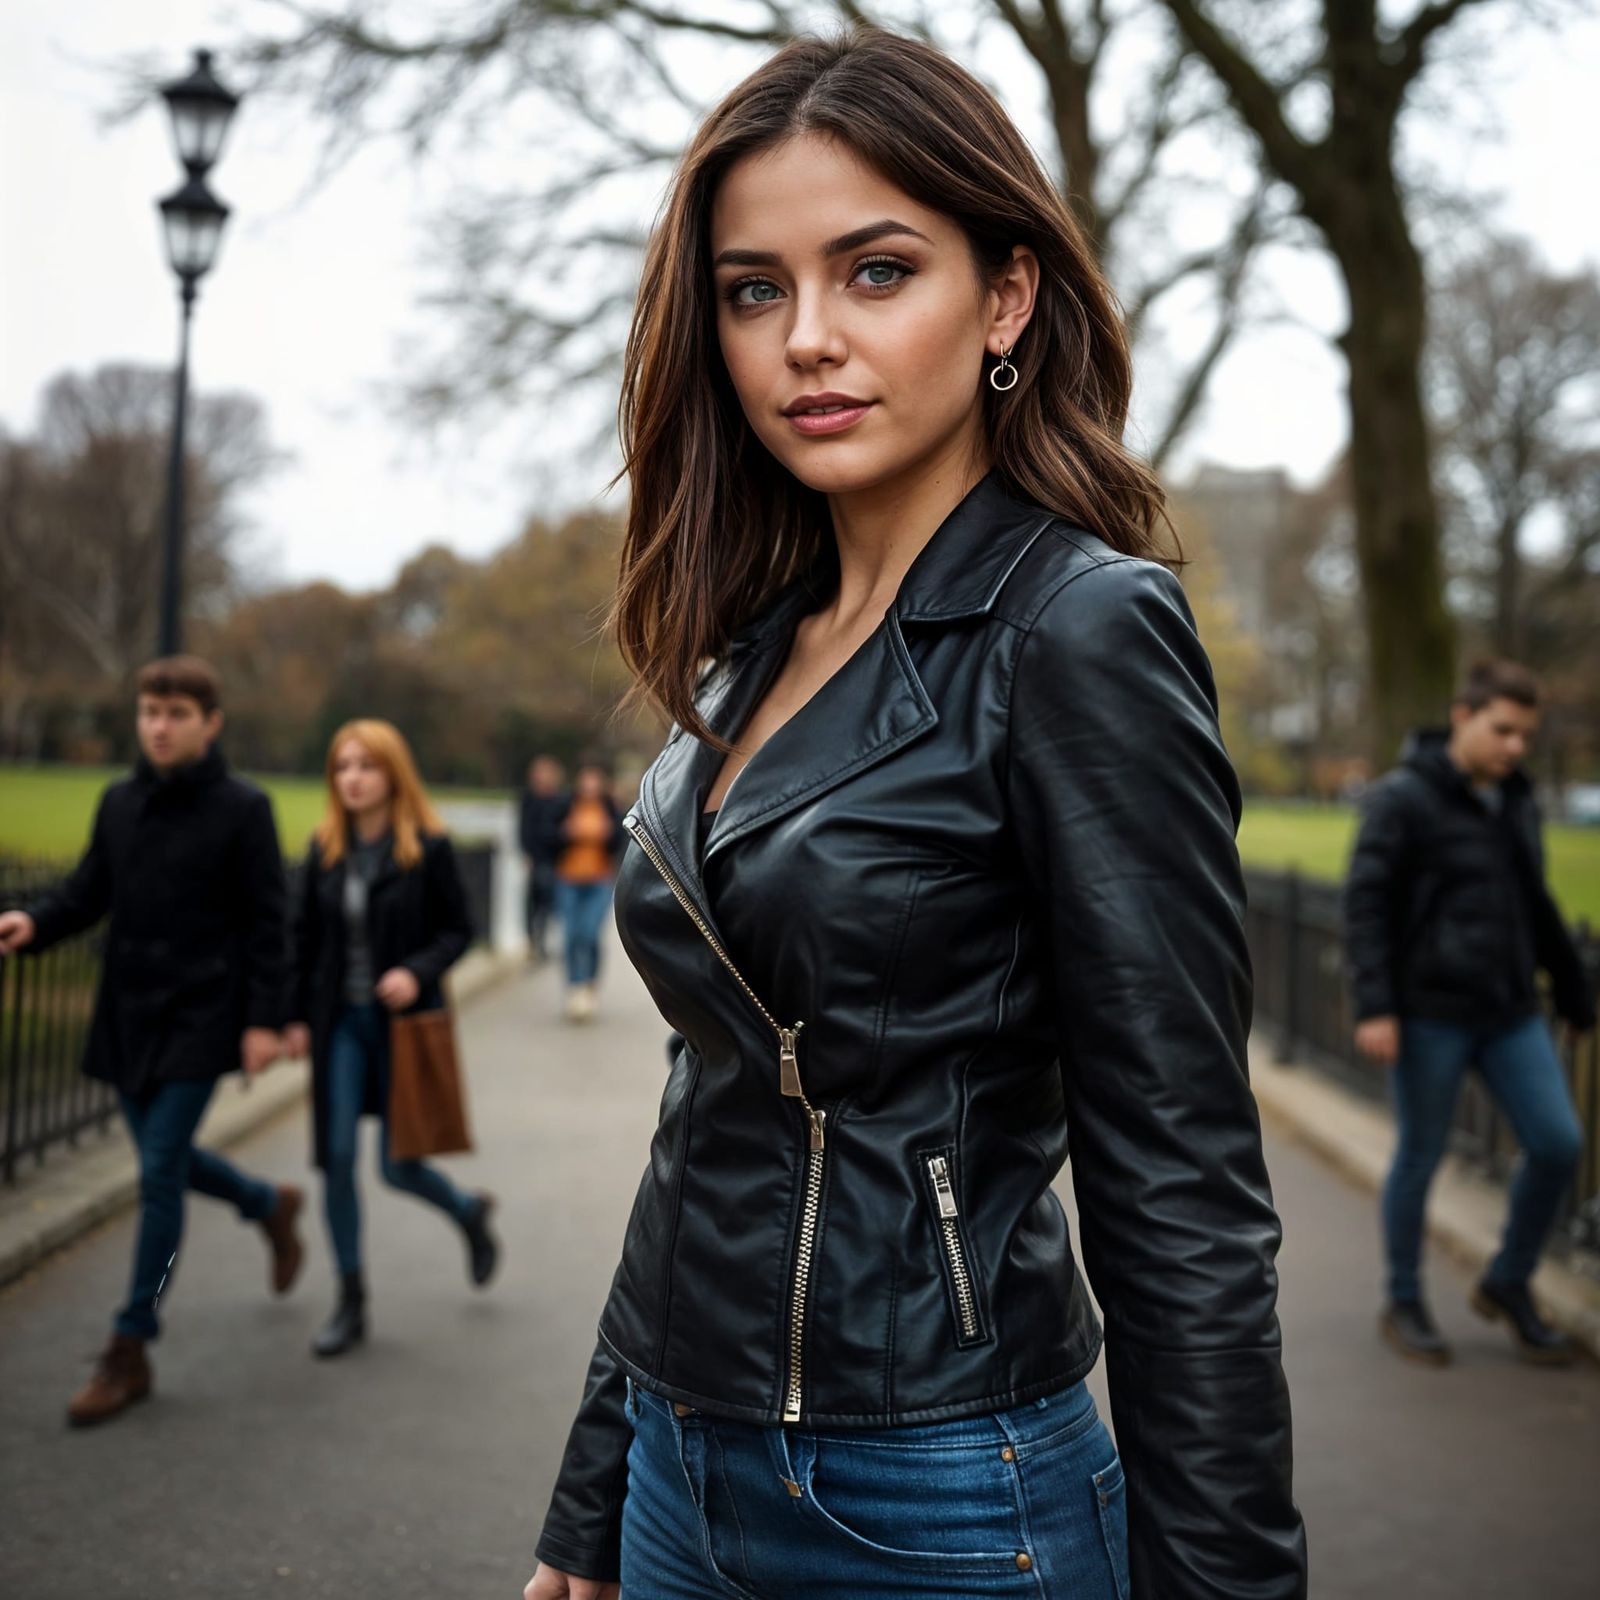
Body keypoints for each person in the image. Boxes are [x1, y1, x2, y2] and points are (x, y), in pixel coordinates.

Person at [529, 29, 1305, 1600]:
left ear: (1006, 296)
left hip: (942, 1496)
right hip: (682, 1474)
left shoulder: (1078, 630)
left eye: (875, 271)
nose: (806, 338)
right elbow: (715, 1109)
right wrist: (598, 1486)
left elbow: (1183, 1186)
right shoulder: (753, 644)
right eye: (756, 289)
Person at [0, 656, 303, 1427]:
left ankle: (130, 1342)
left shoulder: (244, 809)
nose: (158, 727)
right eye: (149, 712)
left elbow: (271, 924)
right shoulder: (119, 802)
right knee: (165, 1159)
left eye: (175, 714)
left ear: (210, 723)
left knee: (161, 1169)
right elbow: (88, 890)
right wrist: (35, 923)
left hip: (203, 1017)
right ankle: (267, 1204)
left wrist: (264, 1021)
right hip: (127, 1014)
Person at [1344, 659, 1594, 1368]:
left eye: (1525, 735)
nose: (1515, 747)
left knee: (1557, 1142)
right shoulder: (1402, 799)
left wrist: (1573, 992)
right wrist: (1376, 1006)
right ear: (1463, 717)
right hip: (1429, 1014)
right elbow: (1365, 905)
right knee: (1420, 1156)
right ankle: (1404, 1299)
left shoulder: (1516, 799)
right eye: (1502, 730)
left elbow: (1537, 903)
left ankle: (1508, 1282)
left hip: (1510, 1011)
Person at [283, 719, 500, 1359]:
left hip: (402, 1027)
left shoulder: (426, 848)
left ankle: (467, 1213)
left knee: (397, 1166)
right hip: (338, 1025)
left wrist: (415, 971)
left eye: (366, 766)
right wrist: (292, 1016)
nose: (352, 777)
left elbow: (460, 929)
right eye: (342, 766)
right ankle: (351, 1298)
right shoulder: (322, 848)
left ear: (392, 774)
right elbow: (300, 940)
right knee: (340, 1157)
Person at [550, 761, 624, 1024]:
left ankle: (590, 984)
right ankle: (575, 987)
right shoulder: (565, 806)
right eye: (586, 779)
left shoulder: (609, 809)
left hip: (599, 880)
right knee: (570, 935)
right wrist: (566, 833)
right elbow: (548, 838)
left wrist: (609, 834)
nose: (590, 785)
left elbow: (622, 841)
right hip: (568, 878)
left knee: (590, 933)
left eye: (595, 780)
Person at [519, 755, 569, 964]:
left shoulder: (560, 800)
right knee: (534, 901)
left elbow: (563, 832)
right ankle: (535, 941)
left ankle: (543, 942)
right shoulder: (529, 799)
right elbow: (524, 829)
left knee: (549, 902)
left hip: (555, 859)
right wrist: (526, 853)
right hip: (537, 858)